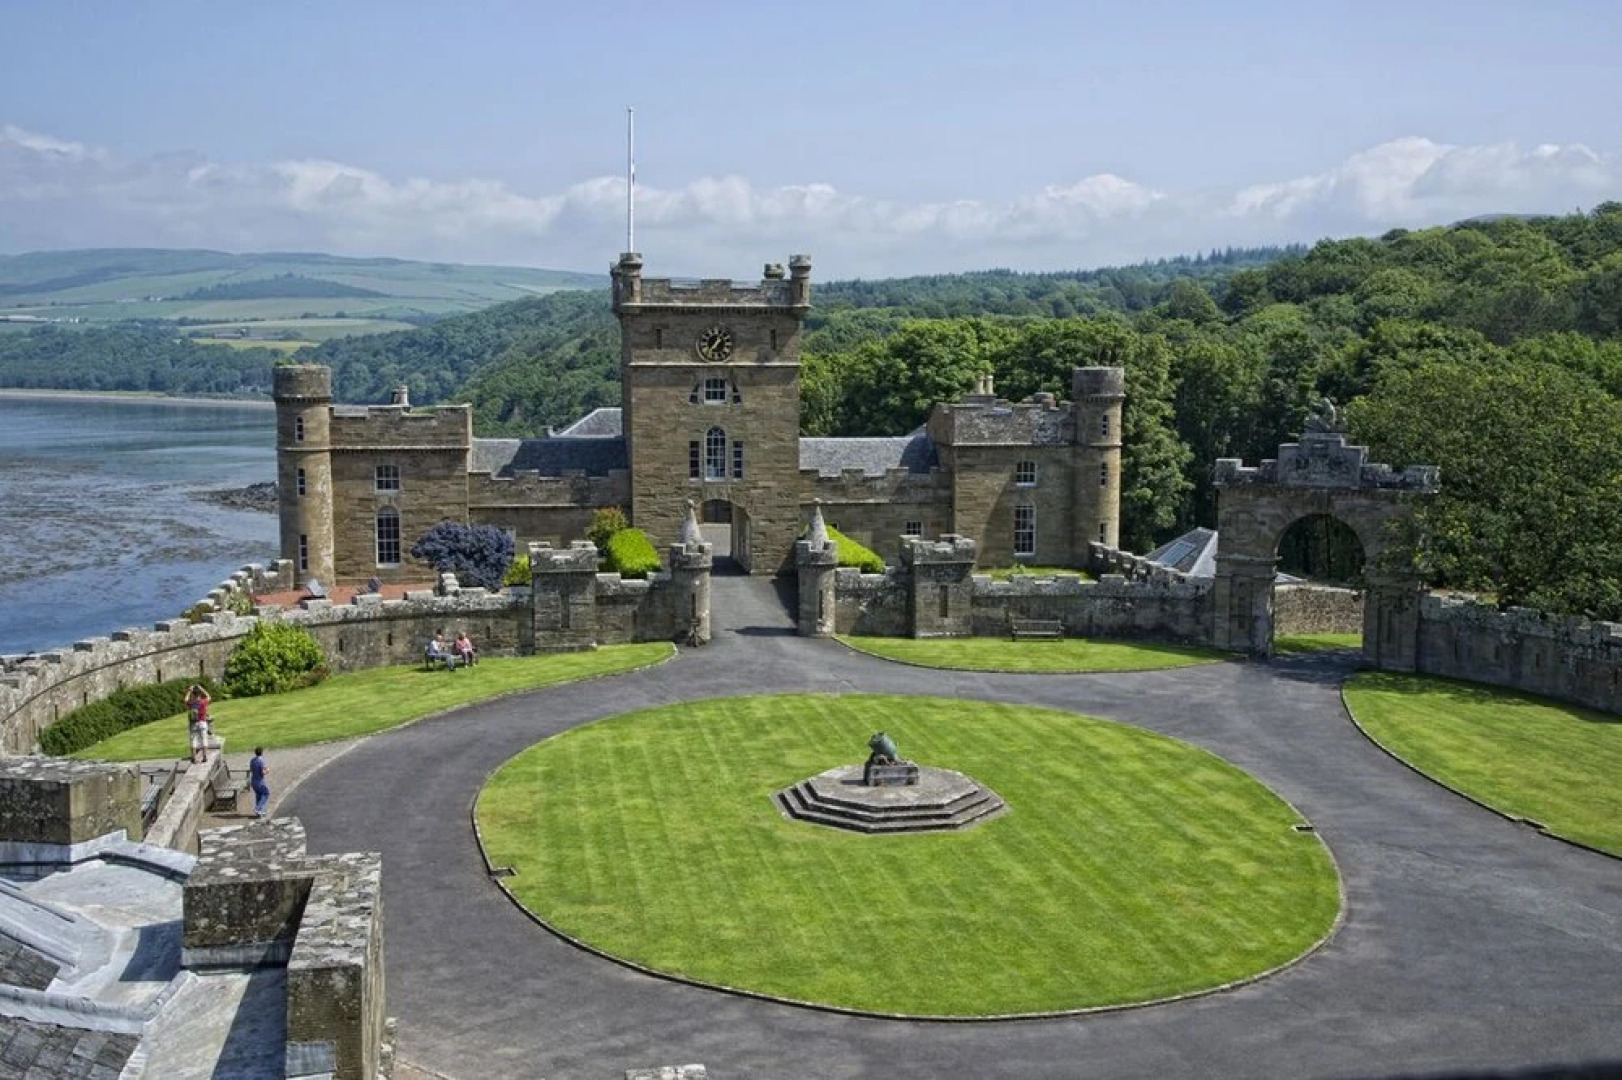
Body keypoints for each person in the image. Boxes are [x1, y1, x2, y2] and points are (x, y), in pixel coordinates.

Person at [185, 685, 212, 764]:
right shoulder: (203, 702)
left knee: (194, 740)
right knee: (204, 739)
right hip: (202, 722)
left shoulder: (191, 703)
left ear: (193, 694)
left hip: (193, 724)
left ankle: (194, 758)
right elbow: (209, 696)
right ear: (200, 694)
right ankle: (204, 757)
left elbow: (185, 699)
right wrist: (201, 688)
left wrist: (189, 691)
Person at [248, 746, 271, 818]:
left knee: (259, 795)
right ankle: (258, 808)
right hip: (259, 782)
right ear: (262, 752)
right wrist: (267, 770)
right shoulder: (261, 761)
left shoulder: (252, 760)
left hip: (253, 781)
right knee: (266, 793)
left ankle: (259, 812)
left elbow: (251, 770)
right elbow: (262, 773)